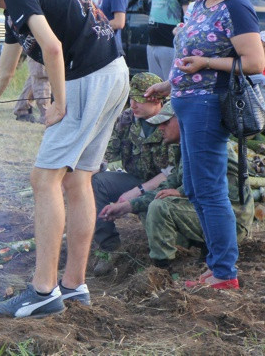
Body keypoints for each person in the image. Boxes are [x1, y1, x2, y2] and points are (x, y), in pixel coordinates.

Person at [0, 0, 128, 317]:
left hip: (89, 79)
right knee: (76, 180)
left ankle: (42, 291)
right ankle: (73, 286)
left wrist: (59, 102)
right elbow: (4, 71)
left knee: (43, 179)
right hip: (114, 74)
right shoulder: (18, 6)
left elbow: (51, 48)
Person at [145, 0, 265, 290]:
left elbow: (256, 63)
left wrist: (207, 63)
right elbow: (188, 58)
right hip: (186, 103)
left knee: (210, 191)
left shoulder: (236, 7)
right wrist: (168, 86)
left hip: (210, 106)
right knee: (197, 190)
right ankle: (217, 266)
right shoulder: (199, 5)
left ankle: (224, 273)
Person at [100, 102, 256, 269]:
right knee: (148, 205)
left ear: (183, 120)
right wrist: (129, 205)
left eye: (166, 123)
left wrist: (181, 192)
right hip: (211, 213)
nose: (160, 128)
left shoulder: (204, 143)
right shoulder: (190, 143)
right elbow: (172, 182)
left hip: (231, 219)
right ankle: (186, 251)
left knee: (160, 206)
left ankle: (165, 268)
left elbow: (210, 184)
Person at [90, 72, 180, 275]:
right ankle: (110, 247)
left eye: (139, 100)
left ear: (157, 100)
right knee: (95, 182)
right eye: (131, 98)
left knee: (159, 234)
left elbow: (173, 172)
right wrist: (81, 176)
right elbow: (106, 154)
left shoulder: (171, 121)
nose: (133, 104)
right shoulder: (127, 119)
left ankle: (168, 262)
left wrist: (138, 191)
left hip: (164, 187)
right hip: (135, 179)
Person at [11, 0, 65, 124]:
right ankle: (45, 114)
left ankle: (21, 108)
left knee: (35, 75)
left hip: (55, 38)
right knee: (42, 76)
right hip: (38, 39)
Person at [134, 0, 192, 80]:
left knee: (168, 85)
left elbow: (188, 17)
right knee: (155, 84)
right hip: (153, 43)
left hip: (169, 45)